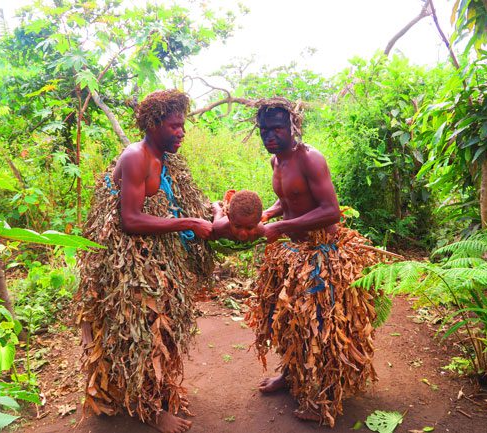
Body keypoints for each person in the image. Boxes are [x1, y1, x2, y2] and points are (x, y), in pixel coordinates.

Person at [76, 89, 213, 433]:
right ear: (153, 125)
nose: (181, 132)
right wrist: (188, 224)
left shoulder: (165, 156)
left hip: (156, 258)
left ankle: (157, 391)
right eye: (174, 126)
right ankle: (148, 409)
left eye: (183, 125)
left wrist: (210, 214)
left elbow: (175, 201)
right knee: (139, 336)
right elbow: (131, 220)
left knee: (161, 330)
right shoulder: (137, 157)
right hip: (130, 267)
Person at [247, 98, 385, 427]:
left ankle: (323, 397)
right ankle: (290, 373)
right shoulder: (275, 162)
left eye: (277, 128)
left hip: (323, 253)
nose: (270, 135)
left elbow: (330, 210)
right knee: (289, 319)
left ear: (293, 126)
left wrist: (277, 227)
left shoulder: (311, 159)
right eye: (264, 129)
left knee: (322, 327)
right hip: (295, 255)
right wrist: (268, 213)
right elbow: (288, 198)